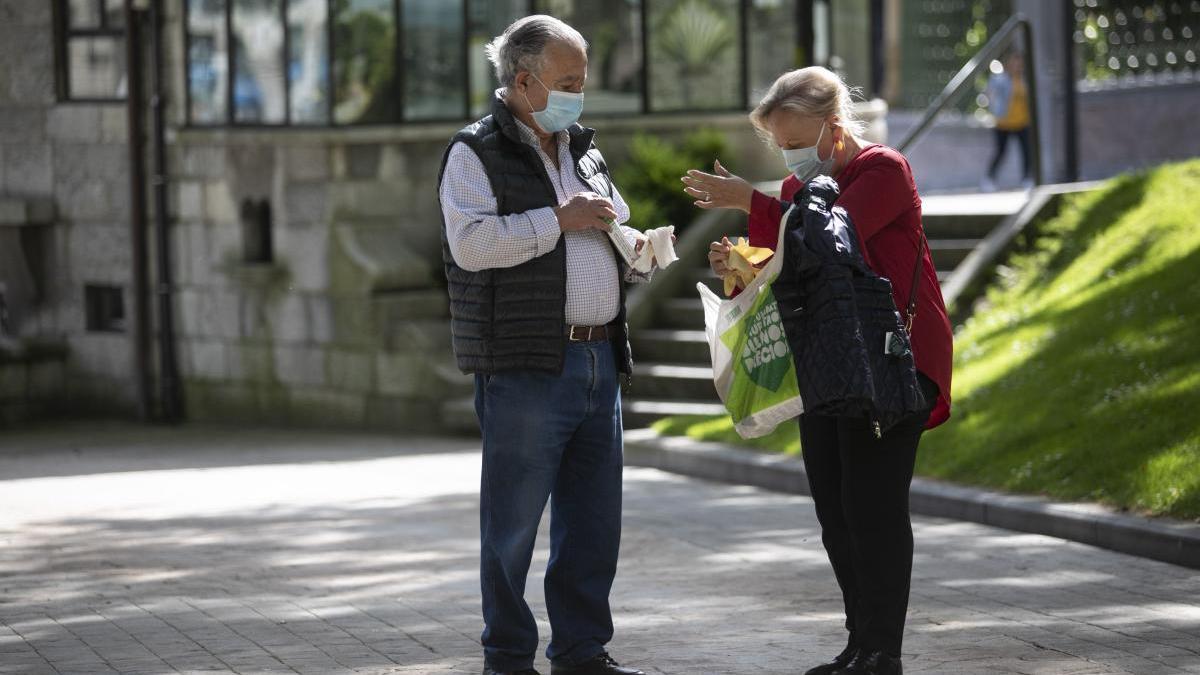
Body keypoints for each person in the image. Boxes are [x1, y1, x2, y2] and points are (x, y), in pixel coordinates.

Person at [681, 66, 953, 675]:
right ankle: (860, 645)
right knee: (835, 511)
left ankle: (883, 651)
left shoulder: (882, 170)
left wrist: (751, 200)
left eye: (798, 143)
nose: (790, 156)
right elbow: (789, 265)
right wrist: (742, 263)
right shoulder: (801, 189)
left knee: (873, 510)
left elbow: (828, 238)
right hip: (830, 364)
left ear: (833, 129)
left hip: (891, 363)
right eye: (780, 144)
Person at [438, 14, 654, 675]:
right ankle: (507, 655)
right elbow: (471, 245)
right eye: (568, 82)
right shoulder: (476, 152)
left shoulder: (582, 149)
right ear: (525, 81)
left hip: (598, 359)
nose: (578, 94)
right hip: (528, 363)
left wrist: (643, 250)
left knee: (593, 522)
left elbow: (612, 230)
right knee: (512, 526)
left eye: (582, 81)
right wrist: (558, 220)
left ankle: (582, 650)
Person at [982, 51, 1032, 192]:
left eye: (1019, 62)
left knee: (1027, 152)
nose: (1017, 65)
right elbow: (989, 94)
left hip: (1022, 122)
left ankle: (1027, 179)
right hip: (1003, 123)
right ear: (1009, 63)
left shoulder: (1024, 80)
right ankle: (989, 179)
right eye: (1014, 62)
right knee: (1001, 152)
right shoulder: (1000, 79)